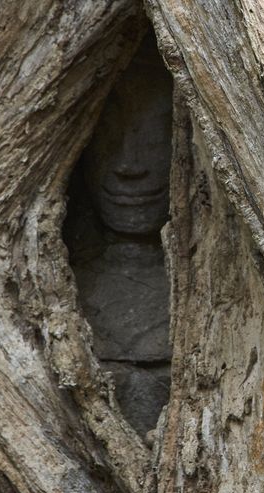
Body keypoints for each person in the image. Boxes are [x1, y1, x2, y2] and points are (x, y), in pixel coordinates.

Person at [66, 34, 173, 438]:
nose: (130, 165)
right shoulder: (58, 293)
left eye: (154, 137)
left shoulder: (227, 301)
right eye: (109, 136)